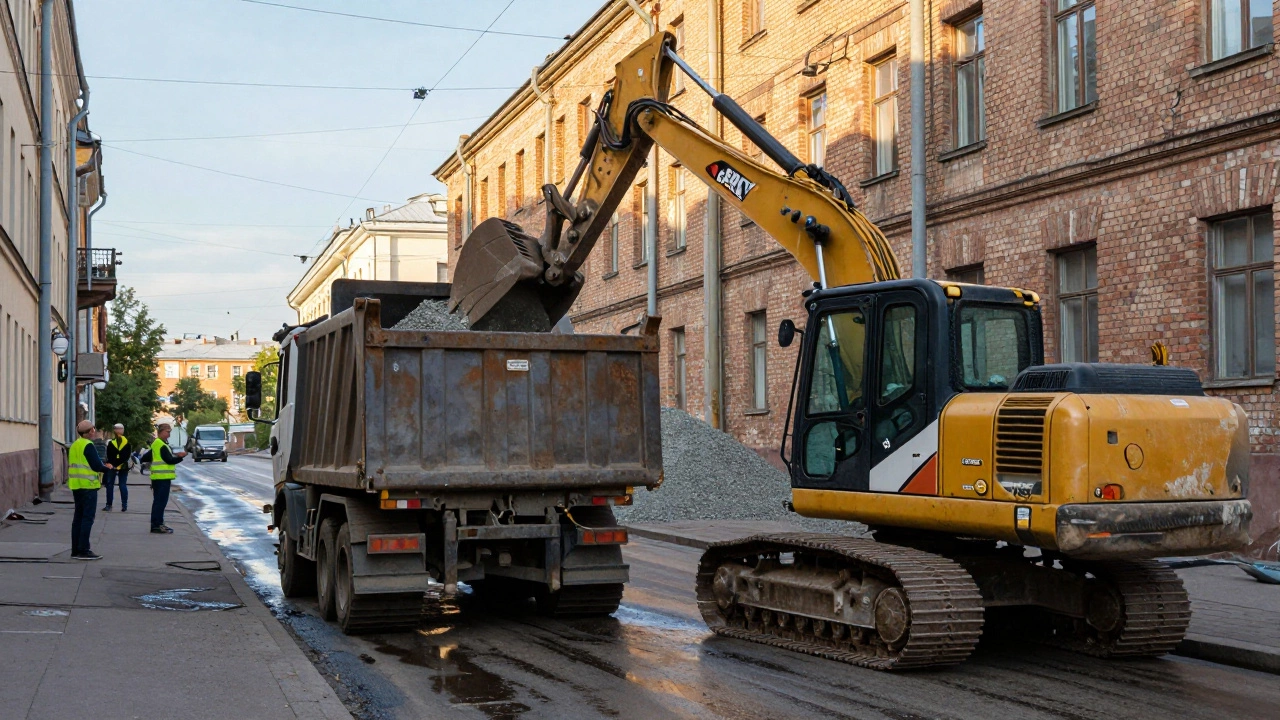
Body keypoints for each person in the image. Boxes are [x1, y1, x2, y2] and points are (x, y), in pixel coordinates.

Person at [69, 420, 113, 560]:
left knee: (78, 518)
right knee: (87, 518)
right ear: (89, 432)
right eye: (93, 430)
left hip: (77, 485)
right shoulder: (88, 445)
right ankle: (84, 550)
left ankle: (75, 550)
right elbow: (95, 466)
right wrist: (108, 469)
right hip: (88, 485)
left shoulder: (75, 444)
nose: (94, 432)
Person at [141, 423, 186, 534]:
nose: (169, 434)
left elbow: (146, 457)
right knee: (160, 502)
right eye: (167, 432)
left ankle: (158, 523)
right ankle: (157, 525)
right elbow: (169, 460)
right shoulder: (161, 444)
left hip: (158, 478)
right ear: (160, 432)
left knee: (158, 502)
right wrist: (180, 457)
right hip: (162, 478)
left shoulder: (157, 444)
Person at [103, 423, 131, 512]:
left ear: (114, 431)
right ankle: (124, 505)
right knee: (122, 485)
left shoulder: (111, 443)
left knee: (110, 485)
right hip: (123, 467)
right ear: (123, 431)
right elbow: (127, 456)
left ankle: (109, 505)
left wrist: (112, 464)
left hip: (112, 466)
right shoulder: (127, 443)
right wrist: (120, 464)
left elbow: (109, 456)